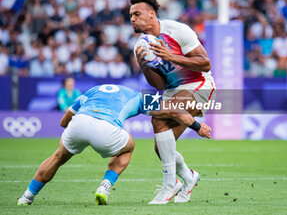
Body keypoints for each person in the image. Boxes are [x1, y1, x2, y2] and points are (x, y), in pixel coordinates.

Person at [17, 84, 212, 206]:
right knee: (129, 146)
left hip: (79, 123)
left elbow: (63, 121)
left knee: (57, 157)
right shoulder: (138, 96)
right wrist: (197, 127)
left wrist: (77, 132)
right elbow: (176, 113)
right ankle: (104, 186)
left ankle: (26, 197)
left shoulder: (92, 91)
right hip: (106, 130)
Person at [130, 0, 216, 204]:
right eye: (130, 15)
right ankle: (188, 178)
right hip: (172, 90)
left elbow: (205, 63)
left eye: (137, 14)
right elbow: (159, 85)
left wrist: (170, 56)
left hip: (198, 85)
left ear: (152, 15)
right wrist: (143, 66)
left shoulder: (177, 30)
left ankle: (169, 185)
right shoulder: (140, 46)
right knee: (161, 148)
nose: (132, 18)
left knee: (158, 116)